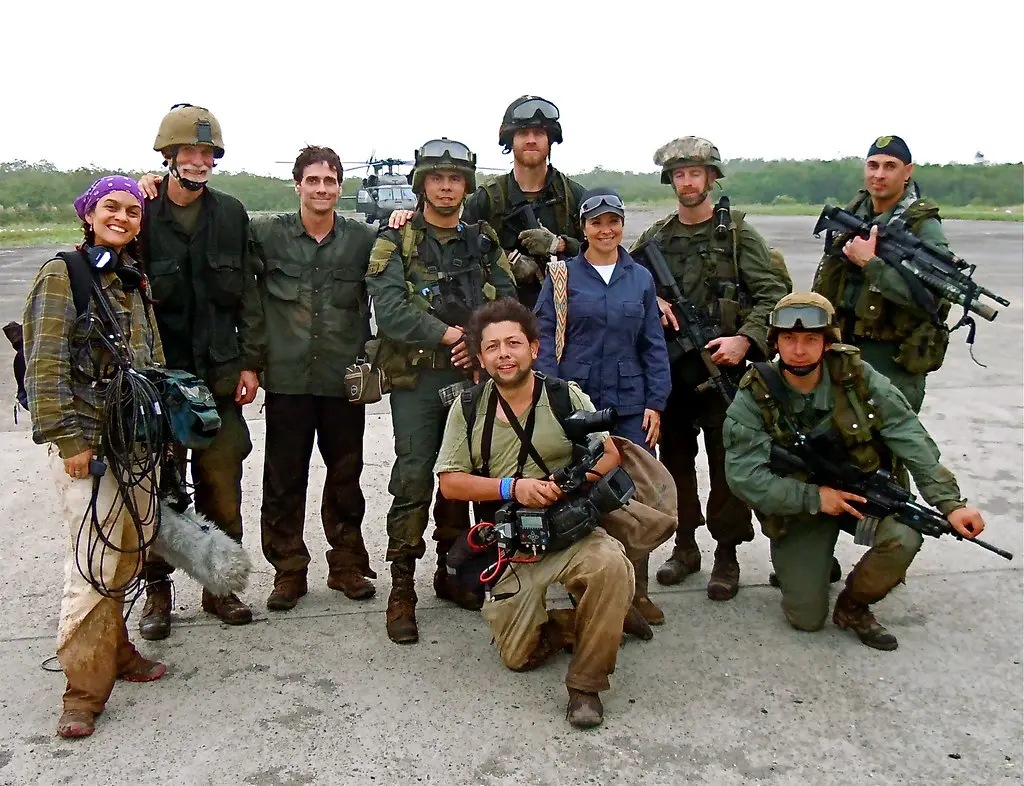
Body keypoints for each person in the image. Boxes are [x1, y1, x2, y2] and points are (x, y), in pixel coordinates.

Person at [435, 298, 672, 728]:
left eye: (513, 343)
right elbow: (450, 482)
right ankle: (608, 621)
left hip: (571, 530)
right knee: (517, 655)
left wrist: (568, 483)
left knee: (611, 565)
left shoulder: (564, 396)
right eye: (492, 347)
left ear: (534, 348)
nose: (504, 354)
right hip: (513, 544)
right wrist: (513, 488)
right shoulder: (468, 407)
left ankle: (586, 686)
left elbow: (610, 453)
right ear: (481, 357)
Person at [723, 293, 986, 649]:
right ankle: (813, 561)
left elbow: (907, 433)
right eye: (789, 339)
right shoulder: (756, 393)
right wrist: (815, 497)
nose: (799, 350)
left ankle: (854, 606)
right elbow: (743, 476)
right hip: (802, 507)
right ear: (775, 342)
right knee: (805, 619)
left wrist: (950, 504)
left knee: (905, 536)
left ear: (828, 341)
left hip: (862, 492)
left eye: (811, 339)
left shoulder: (857, 376)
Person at [23, 177, 168, 738]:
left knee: (132, 547)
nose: (123, 217)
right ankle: (82, 691)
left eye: (132, 211)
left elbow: (149, 361)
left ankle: (118, 650)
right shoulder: (65, 275)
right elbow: (46, 366)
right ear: (88, 214)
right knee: (91, 565)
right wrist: (69, 443)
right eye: (111, 207)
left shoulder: (132, 279)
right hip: (87, 446)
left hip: (133, 444)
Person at [365, 138, 517, 644]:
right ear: (422, 184)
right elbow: (390, 311)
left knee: (470, 477)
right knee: (412, 478)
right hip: (418, 381)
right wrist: (453, 335)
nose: (446, 186)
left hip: (474, 376)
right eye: (437, 178)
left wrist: (479, 346)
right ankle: (401, 588)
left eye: (455, 179)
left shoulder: (483, 241)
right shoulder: (396, 243)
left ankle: (455, 571)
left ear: (465, 186)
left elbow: (507, 300)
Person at [630, 136, 791, 601]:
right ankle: (684, 546)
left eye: (695, 173)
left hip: (727, 375)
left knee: (728, 469)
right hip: (674, 376)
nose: (687, 182)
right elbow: (624, 271)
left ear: (712, 178)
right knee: (676, 465)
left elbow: (774, 295)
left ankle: (726, 553)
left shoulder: (738, 235)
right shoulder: (657, 238)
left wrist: (746, 339)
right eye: (679, 174)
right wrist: (652, 298)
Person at [135, 104, 265, 639]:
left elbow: (250, 295)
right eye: (188, 151)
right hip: (155, 382)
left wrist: (252, 363)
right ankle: (157, 594)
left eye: (207, 152)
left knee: (221, 485)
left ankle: (219, 587)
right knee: (155, 491)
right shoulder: (139, 209)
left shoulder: (231, 214)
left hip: (217, 381)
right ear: (168, 157)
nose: (198, 160)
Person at [248, 146, 377, 610]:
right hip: (287, 381)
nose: (321, 189)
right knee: (283, 480)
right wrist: (154, 189)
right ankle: (288, 571)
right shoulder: (266, 235)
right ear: (297, 184)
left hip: (345, 381)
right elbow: (215, 233)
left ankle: (346, 565)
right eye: (313, 180)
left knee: (346, 478)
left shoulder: (363, 239)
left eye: (330, 181)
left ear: (341, 187)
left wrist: (405, 214)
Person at [534, 187, 671, 623]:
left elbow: (653, 344)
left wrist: (656, 402)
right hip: (578, 401)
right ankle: (590, 589)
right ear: (583, 227)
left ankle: (638, 591)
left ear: (622, 224)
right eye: (597, 222)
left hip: (630, 404)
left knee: (637, 496)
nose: (606, 229)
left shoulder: (641, 278)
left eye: (613, 221)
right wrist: (551, 400)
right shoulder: (561, 277)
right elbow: (544, 342)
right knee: (582, 492)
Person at [812, 135, 951, 413]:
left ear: (907, 172)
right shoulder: (854, 212)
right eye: (873, 165)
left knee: (885, 447)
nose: (879, 175)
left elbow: (931, 301)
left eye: (890, 166)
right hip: (840, 350)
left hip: (890, 360)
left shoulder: (922, 226)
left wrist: (871, 264)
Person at [459, 95, 586, 308]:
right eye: (523, 133)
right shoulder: (487, 199)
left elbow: (602, 253)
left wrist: (561, 244)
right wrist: (503, 261)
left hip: (566, 313)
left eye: (539, 133)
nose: (531, 140)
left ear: (550, 140)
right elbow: (458, 253)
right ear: (511, 140)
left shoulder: (573, 196)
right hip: (503, 317)